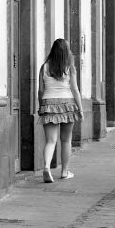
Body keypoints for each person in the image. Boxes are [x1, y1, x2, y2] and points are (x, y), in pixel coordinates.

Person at [36, 38, 83, 183]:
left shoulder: (44, 67)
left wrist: (41, 106)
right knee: (66, 140)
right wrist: (80, 109)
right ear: (66, 53)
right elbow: (75, 90)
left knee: (50, 141)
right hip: (67, 104)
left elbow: (40, 91)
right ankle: (64, 171)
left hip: (48, 103)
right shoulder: (70, 68)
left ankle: (46, 167)